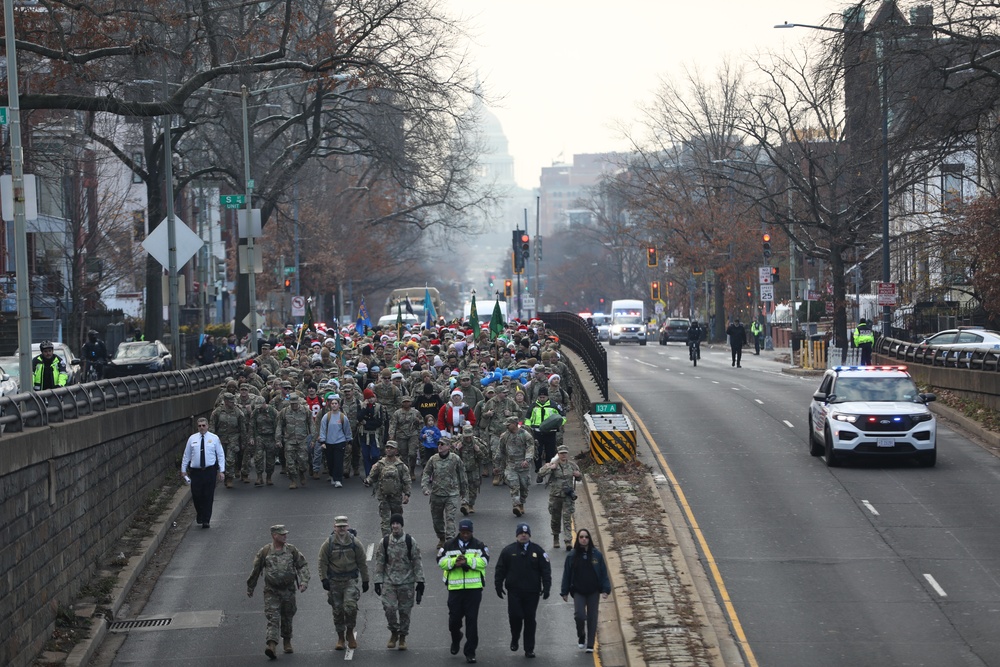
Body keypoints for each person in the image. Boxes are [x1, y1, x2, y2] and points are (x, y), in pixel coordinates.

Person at [247, 525, 310, 659]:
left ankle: (287, 641)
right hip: (272, 591)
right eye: (282, 534)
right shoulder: (265, 551)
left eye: (285, 534)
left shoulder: (292, 550)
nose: (285, 536)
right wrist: (250, 586)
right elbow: (256, 570)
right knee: (273, 618)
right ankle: (272, 645)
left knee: (287, 616)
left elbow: (302, 565)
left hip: (288, 590)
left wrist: (304, 581)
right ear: (274, 536)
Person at [495, 523, 551, 658]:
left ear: (529, 535)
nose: (523, 535)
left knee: (530, 619)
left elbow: (545, 570)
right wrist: (498, 585)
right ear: (517, 535)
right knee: (515, 617)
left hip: (532, 592)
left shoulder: (538, 551)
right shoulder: (508, 551)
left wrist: (547, 587)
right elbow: (500, 569)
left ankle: (529, 648)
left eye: (526, 533)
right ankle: (515, 637)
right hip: (514, 592)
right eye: (521, 533)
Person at [438, 518, 489, 664]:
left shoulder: (479, 545)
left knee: (472, 621)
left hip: (474, 590)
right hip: (455, 589)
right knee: (454, 620)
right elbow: (440, 561)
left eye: (468, 532)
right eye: (463, 532)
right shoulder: (448, 545)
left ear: (471, 532)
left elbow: (484, 561)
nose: (465, 535)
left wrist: (467, 562)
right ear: (459, 532)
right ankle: (456, 638)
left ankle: (470, 652)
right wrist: (454, 562)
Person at [373, 514, 424, 650]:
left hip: (406, 582)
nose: (395, 526)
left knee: (405, 611)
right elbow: (380, 562)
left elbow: (417, 561)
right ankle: (394, 632)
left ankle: (402, 637)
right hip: (389, 581)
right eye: (393, 523)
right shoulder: (384, 542)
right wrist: (377, 581)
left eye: (397, 523)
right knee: (389, 608)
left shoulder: (409, 541)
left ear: (402, 525)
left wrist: (420, 581)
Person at [318, 516, 370, 651]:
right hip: (334, 581)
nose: (341, 529)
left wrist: (366, 580)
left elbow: (362, 562)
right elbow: (322, 562)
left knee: (350, 607)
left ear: (347, 527)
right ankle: (340, 637)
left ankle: (350, 633)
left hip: (350, 581)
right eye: (339, 526)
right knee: (338, 610)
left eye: (344, 526)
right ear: (334, 527)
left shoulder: (355, 543)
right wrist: (323, 579)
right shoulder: (328, 544)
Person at [560, 528, 612, 653]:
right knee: (579, 615)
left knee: (592, 617)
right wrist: (564, 591)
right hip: (578, 591)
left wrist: (606, 589)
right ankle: (581, 634)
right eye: (581, 537)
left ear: (589, 539)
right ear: (578, 539)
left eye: (586, 537)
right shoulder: (572, 556)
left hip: (593, 591)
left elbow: (603, 573)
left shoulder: (597, 555)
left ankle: (590, 644)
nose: (584, 539)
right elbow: (566, 574)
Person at [421, 436, 469, 548]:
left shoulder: (455, 459)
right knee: (437, 520)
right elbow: (426, 473)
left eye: (442, 444)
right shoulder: (433, 459)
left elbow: (463, 476)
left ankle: (450, 541)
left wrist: (464, 495)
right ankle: (441, 537)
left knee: (450, 518)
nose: (439, 446)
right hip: (436, 495)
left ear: (448, 446)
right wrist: (425, 487)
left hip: (451, 494)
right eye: (438, 444)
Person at [180, 418, 225, 528]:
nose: (201, 427)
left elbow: (220, 454)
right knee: (196, 495)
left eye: (203, 425)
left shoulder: (214, 438)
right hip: (196, 472)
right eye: (199, 426)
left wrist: (222, 470)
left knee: (208, 496)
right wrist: (183, 470)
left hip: (209, 471)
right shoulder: (192, 439)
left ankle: (206, 520)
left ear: (207, 426)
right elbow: (187, 455)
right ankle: (200, 513)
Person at [538, 444, 582, 549]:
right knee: (555, 518)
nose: (563, 455)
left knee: (567, 519)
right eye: (561, 453)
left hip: (567, 497)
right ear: (558, 454)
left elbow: (580, 478)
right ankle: (556, 537)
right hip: (555, 496)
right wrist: (550, 468)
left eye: (565, 453)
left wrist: (578, 475)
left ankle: (568, 541)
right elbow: (540, 473)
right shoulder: (554, 464)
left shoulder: (572, 466)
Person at [364, 441, 412, 537]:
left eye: (391, 448)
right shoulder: (380, 464)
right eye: (387, 447)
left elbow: (407, 480)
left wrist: (407, 494)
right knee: (385, 522)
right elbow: (372, 476)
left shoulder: (401, 465)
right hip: (383, 497)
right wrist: (368, 481)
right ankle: (386, 541)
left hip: (396, 497)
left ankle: (397, 539)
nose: (388, 449)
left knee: (397, 520)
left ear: (396, 450)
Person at [496, 416, 535, 517]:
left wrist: (527, 459)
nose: (507, 426)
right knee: (514, 486)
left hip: (523, 465)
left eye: (509, 424)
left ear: (515, 424)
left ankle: (521, 502)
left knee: (524, 487)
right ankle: (516, 505)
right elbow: (500, 450)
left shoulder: (525, 435)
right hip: (511, 465)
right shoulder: (504, 436)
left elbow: (530, 447)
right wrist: (497, 465)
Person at [211, 392, 248, 488]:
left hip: (233, 438)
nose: (233, 403)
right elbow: (212, 426)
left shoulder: (238, 412)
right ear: (226, 402)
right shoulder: (217, 412)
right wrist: (211, 441)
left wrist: (243, 441)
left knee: (230, 459)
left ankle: (229, 478)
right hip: (220, 439)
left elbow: (242, 428)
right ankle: (223, 475)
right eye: (231, 402)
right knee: (221, 459)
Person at [276, 395, 313, 489]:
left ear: (299, 402)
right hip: (289, 440)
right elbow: (279, 426)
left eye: (296, 403)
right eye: (292, 404)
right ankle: (293, 480)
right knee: (290, 463)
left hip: (302, 440)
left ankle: (302, 472)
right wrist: (278, 439)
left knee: (304, 462)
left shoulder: (305, 411)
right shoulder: (284, 412)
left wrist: (313, 438)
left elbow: (311, 424)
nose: (294, 405)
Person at [524, 386, 565, 471]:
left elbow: (563, 417)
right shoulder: (533, 406)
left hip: (550, 432)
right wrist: (529, 428)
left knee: (550, 452)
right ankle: (539, 469)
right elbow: (527, 418)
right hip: (537, 433)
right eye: (540, 397)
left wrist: (558, 424)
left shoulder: (554, 405)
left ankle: (548, 469)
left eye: (544, 397)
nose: (542, 399)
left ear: (547, 397)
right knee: (537, 452)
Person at [454, 424, 490, 515]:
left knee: (473, 487)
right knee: (463, 486)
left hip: (474, 469)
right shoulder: (458, 442)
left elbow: (485, 458)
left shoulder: (477, 443)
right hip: (462, 469)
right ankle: (464, 504)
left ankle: (471, 505)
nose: (468, 438)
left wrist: (478, 451)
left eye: (469, 436)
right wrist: (457, 449)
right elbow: (452, 458)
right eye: (466, 436)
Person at [319, 395, 352, 488]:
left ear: (338, 405)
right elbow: (322, 429)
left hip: (340, 441)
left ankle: (338, 479)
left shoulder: (342, 417)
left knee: (338, 461)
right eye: (332, 403)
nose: (334, 405)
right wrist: (322, 441)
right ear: (330, 405)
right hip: (329, 442)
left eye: (335, 403)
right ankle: (332, 475)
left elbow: (347, 429)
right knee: (330, 461)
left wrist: (349, 440)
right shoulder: (326, 416)